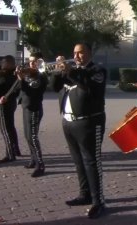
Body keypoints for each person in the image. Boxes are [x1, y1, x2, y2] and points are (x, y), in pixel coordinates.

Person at [51, 42, 107, 219]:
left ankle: (99, 201)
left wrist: (70, 71)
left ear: (89, 53)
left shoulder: (97, 70)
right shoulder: (71, 70)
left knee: (92, 162)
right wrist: (57, 70)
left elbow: (87, 86)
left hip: (89, 122)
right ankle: (85, 195)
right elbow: (54, 86)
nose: (76, 56)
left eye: (81, 53)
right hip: (69, 122)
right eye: (74, 53)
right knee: (78, 161)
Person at [1, 52, 48, 177]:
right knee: (28, 136)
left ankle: (40, 165)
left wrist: (22, 79)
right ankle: (33, 160)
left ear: (40, 63)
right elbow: (17, 86)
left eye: (35, 62)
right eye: (30, 61)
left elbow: (31, 91)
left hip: (34, 108)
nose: (31, 64)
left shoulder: (41, 77)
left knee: (32, 137)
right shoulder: (28, 74)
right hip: (26, 107)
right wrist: (6, 96)